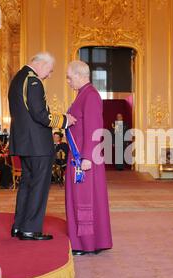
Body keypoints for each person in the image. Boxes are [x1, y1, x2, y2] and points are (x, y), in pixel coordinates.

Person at [8, 52, 76, 241]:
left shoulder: (17, 79)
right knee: (38, 186)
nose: (49, 75)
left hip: (23, 143)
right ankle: (31, 229)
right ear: (40, 64)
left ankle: (19, 226)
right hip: (37, 144)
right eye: (50, 70)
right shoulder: (33, 81)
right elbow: (40, 114)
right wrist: (64, 120)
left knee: (26, 185)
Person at [65, 60, 113, 256]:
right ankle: (85, 241)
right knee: (80, 199)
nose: (68, 81)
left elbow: (94, 129)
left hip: (84, 159)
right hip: (78, 156)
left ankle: (87, 244)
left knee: (85, 199)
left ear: (80, 75)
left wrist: (86, 158)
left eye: (69, 77)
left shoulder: (90, 95)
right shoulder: (81, 95)